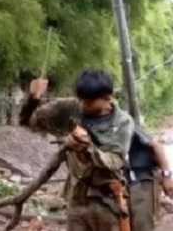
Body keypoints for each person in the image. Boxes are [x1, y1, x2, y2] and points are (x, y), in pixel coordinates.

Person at [18, 69, 134, 231]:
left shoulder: (122, 122)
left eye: (89, 102)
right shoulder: (70, 108)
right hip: (77, 198)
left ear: (107, 98)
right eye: (81, 100)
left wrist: (87, 148)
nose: (83, 105)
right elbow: (28, 122)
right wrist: (32, 98)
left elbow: (115, 161)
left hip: (108, 199)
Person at [128, 128, 173, 230]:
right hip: (116, 183)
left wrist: (166, 176)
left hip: (139, 180)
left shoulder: (124, 122)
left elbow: (157, 147)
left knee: (141, 224)